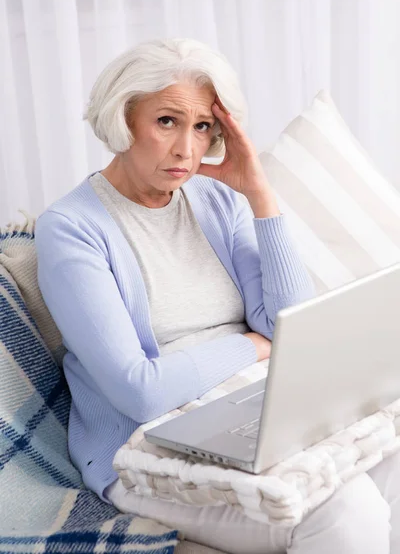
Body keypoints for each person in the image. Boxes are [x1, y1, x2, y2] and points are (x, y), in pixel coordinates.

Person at [35, 37, 400, 554]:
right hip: (143, 449)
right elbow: (140, 391)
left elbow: (287, 326)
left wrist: (261, 197)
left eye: (203, 126)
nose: (187, 148)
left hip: (249, 412)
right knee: (345, 508)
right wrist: (251, 346)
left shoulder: (216, 200)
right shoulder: (72, 228)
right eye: (167, 121)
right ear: (123, 118)